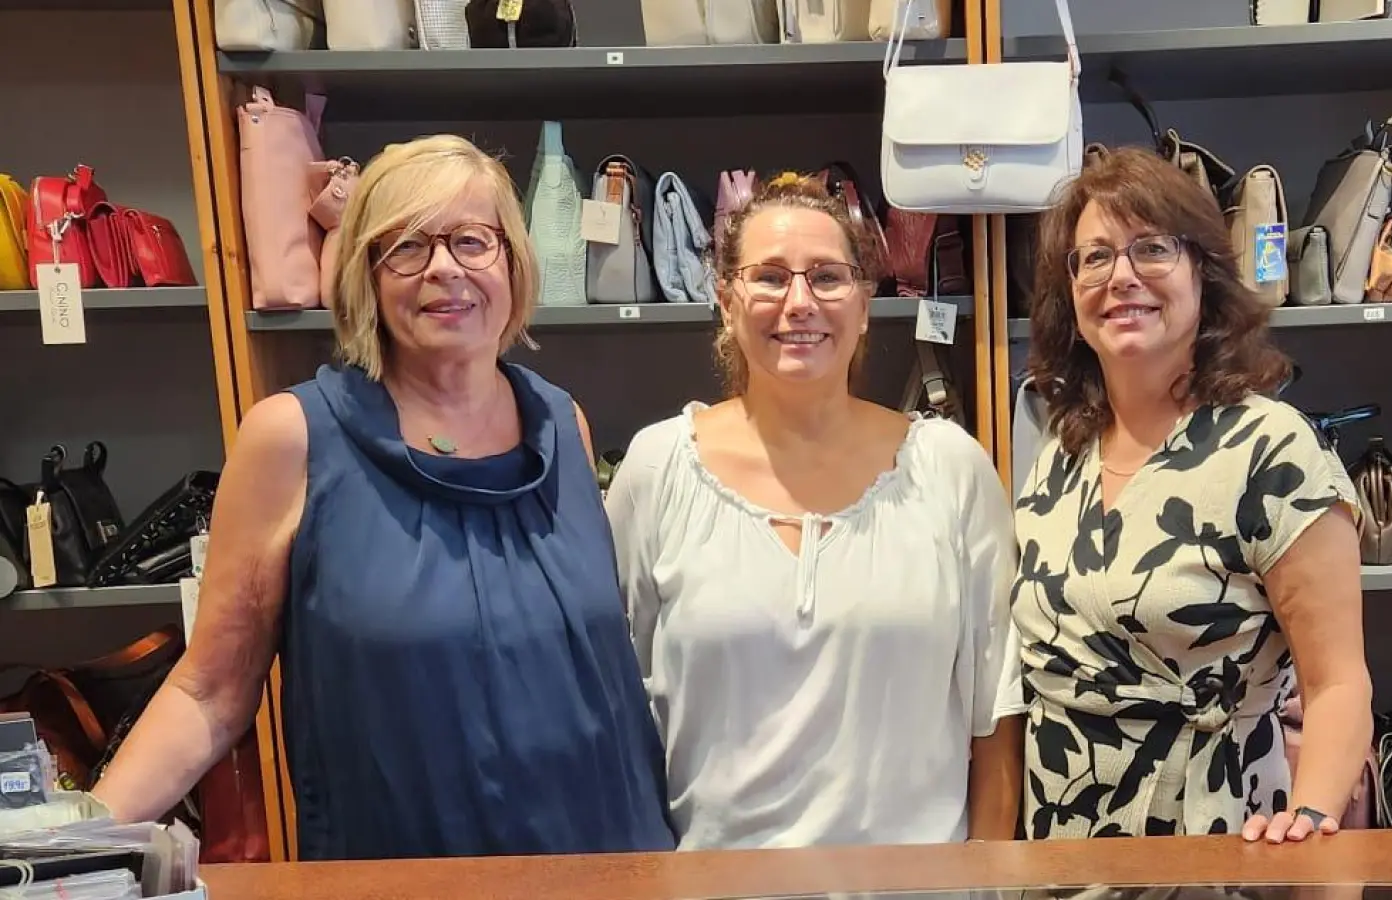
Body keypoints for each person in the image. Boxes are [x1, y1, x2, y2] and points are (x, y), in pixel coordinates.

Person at [92, 135, 676, 860]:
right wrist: (73, 837)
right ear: (367, 273)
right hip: (401, 870)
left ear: (512, 263)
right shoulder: (294, 439)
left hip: (608, 862)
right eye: (405, 246)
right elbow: (210, 693)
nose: (443, 269)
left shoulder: (563, 425)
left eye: (471, 240)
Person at [606, 172, 1024, 850]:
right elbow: (620, 715)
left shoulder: (948, 469)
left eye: (827, 278)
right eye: (769, 277)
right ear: (727, 299)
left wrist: (985, 881)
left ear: (863, 303)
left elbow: (996, 716)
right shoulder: (658, 471)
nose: (798, 302)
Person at [1012, 146, 1372, 844]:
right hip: (1060, 844)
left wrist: (1313, 817)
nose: (1120, 278)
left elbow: (1339, 684)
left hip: (1212, 834)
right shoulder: (1062, 449)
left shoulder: (1273, 451)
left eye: (1150, 249)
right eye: (1094, 258)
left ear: (1203, 274)